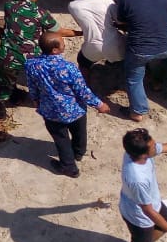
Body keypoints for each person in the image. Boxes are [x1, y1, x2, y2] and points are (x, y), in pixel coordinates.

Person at [25, 32, 110, 177]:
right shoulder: (69, 68)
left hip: (51, 111)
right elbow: (82, 91)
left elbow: (32, 85)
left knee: (61, 138)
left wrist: (36, 100)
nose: (65, 44)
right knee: (79, 133)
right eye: (62, 43)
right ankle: (74, 159)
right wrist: (99, 104)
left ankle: (69, 162)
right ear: (55, 50)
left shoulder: (31, 65)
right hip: (75, 109)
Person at [117, 0, 167, 122]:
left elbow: (121, 21)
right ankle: (156, 83)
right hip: (166, 48)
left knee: (134, 77)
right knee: (156, 61)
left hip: (140, 51)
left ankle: (137, 111)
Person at [120, 128, 167, 242]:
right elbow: (148, 211)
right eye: (152, 145)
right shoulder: (137, 179)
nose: (155, 146)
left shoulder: (134, 151)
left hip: (153, 203)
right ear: (144, 154)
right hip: (138, 215)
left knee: (162, 228)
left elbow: (165, 147)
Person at [0, 0, 60, 110]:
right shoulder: (41, 13)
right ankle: (40, 101)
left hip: (7, 55)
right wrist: (79, 32)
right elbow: (57, 30)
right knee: (39, 80)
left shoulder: (9, 6)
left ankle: (1, 103)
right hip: (31, 58)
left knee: (4, 81)